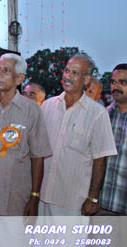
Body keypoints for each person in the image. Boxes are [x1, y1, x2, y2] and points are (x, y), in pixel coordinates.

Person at [0, 53, 52, 216]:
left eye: (6, 71)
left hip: (12, 202)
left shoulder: (32, 111)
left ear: (19, 78)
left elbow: (38, 157)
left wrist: (34, 197)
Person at [39, 53, 117, 216]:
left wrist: (93, 198)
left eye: (75, 73)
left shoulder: (97, 113)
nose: (68, 76)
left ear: (87, 80)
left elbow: (100, 160)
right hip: (41, 196)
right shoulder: (47, 106)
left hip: (72, 203)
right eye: (67, 71)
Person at [98, 64, 127, 216]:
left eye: (123, 82)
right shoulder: (102, 116)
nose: (116, 87)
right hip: (102, 205)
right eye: (113, 82)